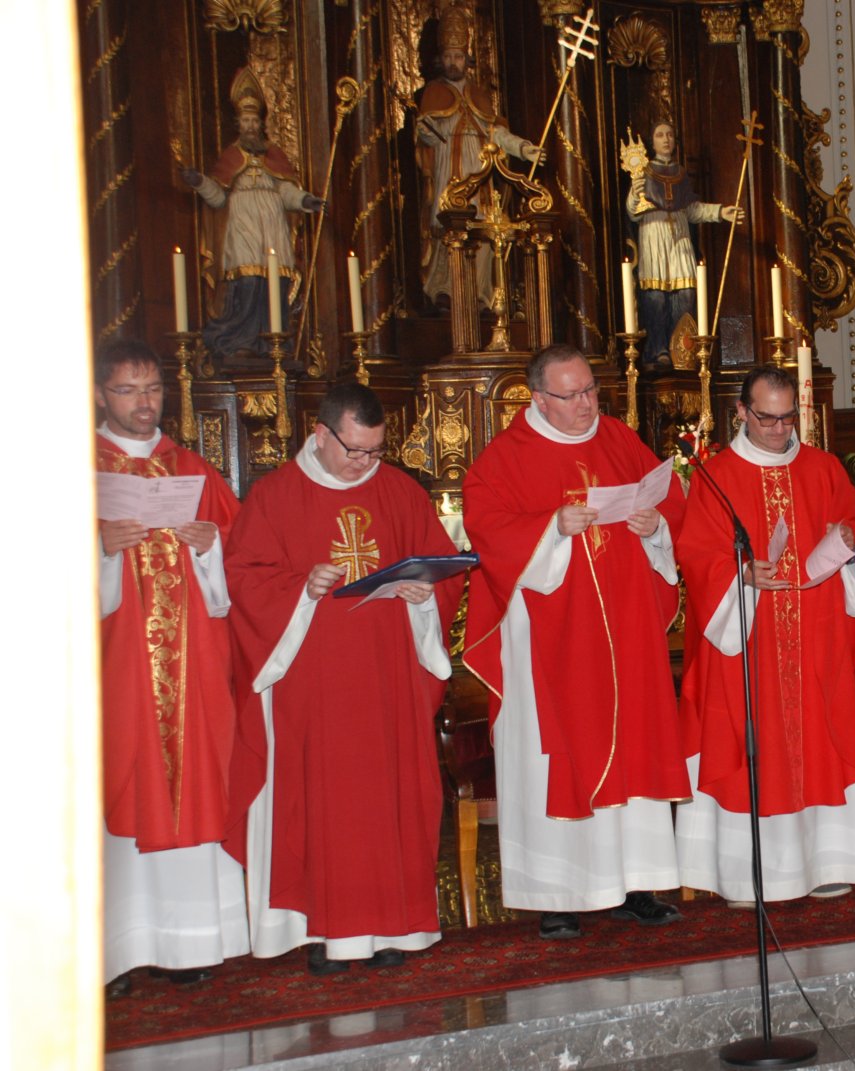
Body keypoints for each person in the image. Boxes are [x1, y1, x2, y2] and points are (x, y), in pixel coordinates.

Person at [224, 384, 464, 974]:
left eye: (375, 451)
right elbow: (245, 579)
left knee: (388, 800)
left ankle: (393, 927)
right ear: (320, 433)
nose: (364, 463)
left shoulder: (400, 491)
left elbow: (441, 568)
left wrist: (423, 596)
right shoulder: (275, 495)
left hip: (389, 680)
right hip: (314, 684)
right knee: (322, 802)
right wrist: (300, 588)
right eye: (354, 450)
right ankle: (319, 931)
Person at [462, 345, 691, 940]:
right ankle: (557, 895)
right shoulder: (504, 458)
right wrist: (551, 528)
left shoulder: (618, 438)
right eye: (572, 395)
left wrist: (656, 525)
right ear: (539, 398)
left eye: (591, 390)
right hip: (551, 638)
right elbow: (486, 531)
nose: (587, 405)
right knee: (556, 751)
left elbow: (668, 499)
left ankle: (635, 884)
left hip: (626, 630)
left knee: (633, 743)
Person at [676, 365, 855, 904]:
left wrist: (848, 538)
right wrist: (741, 574)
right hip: (747, 638)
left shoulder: (823, 468)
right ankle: (746, 876)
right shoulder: (716, 476)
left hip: (816, 635)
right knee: (750, 744)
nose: (778, 429)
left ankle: (827, 862)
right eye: (766, 418)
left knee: (818, 739)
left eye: (788, 418)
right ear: (741, 412)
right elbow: (696, 555)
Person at [95, 340, 247, 997]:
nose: (144, 402)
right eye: (127, 390)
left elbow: (243, 564)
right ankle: (112, 952)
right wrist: (98, 549)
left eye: (153, 388)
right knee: (116, 784)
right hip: (114, 673)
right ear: (100, 395)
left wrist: (210, 548)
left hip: (194, 673)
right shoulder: (74, 472)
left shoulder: (193, 469)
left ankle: (190, 943)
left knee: (195, 783)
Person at [182, 66, 324, 367]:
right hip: (243, 229)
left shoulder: (274, 156)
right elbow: (218, 197)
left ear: (261, 124)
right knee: (246, 284)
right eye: (245, 121)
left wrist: (305, 200)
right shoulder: (231, 157)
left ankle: (273, 342)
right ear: (239, 124)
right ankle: (240, 341)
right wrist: (199, 182)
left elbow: (286, 190)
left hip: (273, 227)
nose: (250, 126)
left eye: (254, 121)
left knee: (275, 284)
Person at [414, 3, 542, 310]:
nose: (453, 62)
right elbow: (426, 134)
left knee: (484, 228)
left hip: (480, 173)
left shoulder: (480, 96)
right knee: (449, 226)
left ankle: (480, 293)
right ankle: (446, 290)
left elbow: (497, 133)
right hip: (450, 170)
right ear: (441, 58)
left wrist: (524, 148)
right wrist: (426, 130)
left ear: (467, 59)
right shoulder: (433, 92)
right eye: (448, 56)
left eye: (458, 56)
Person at [626, 120, 743, 364]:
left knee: (686, 293)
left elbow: (692, 209)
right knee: (656, 296)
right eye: (660, 135)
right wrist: (635, 193)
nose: (666, 139)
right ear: (652, 142)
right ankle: (658, 349)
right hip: (654, 235)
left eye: (670, 134)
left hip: (679, 238)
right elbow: (633, 213)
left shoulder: (680, 174)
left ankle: (682, 349)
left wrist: (720, 212)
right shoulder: (643, 172)